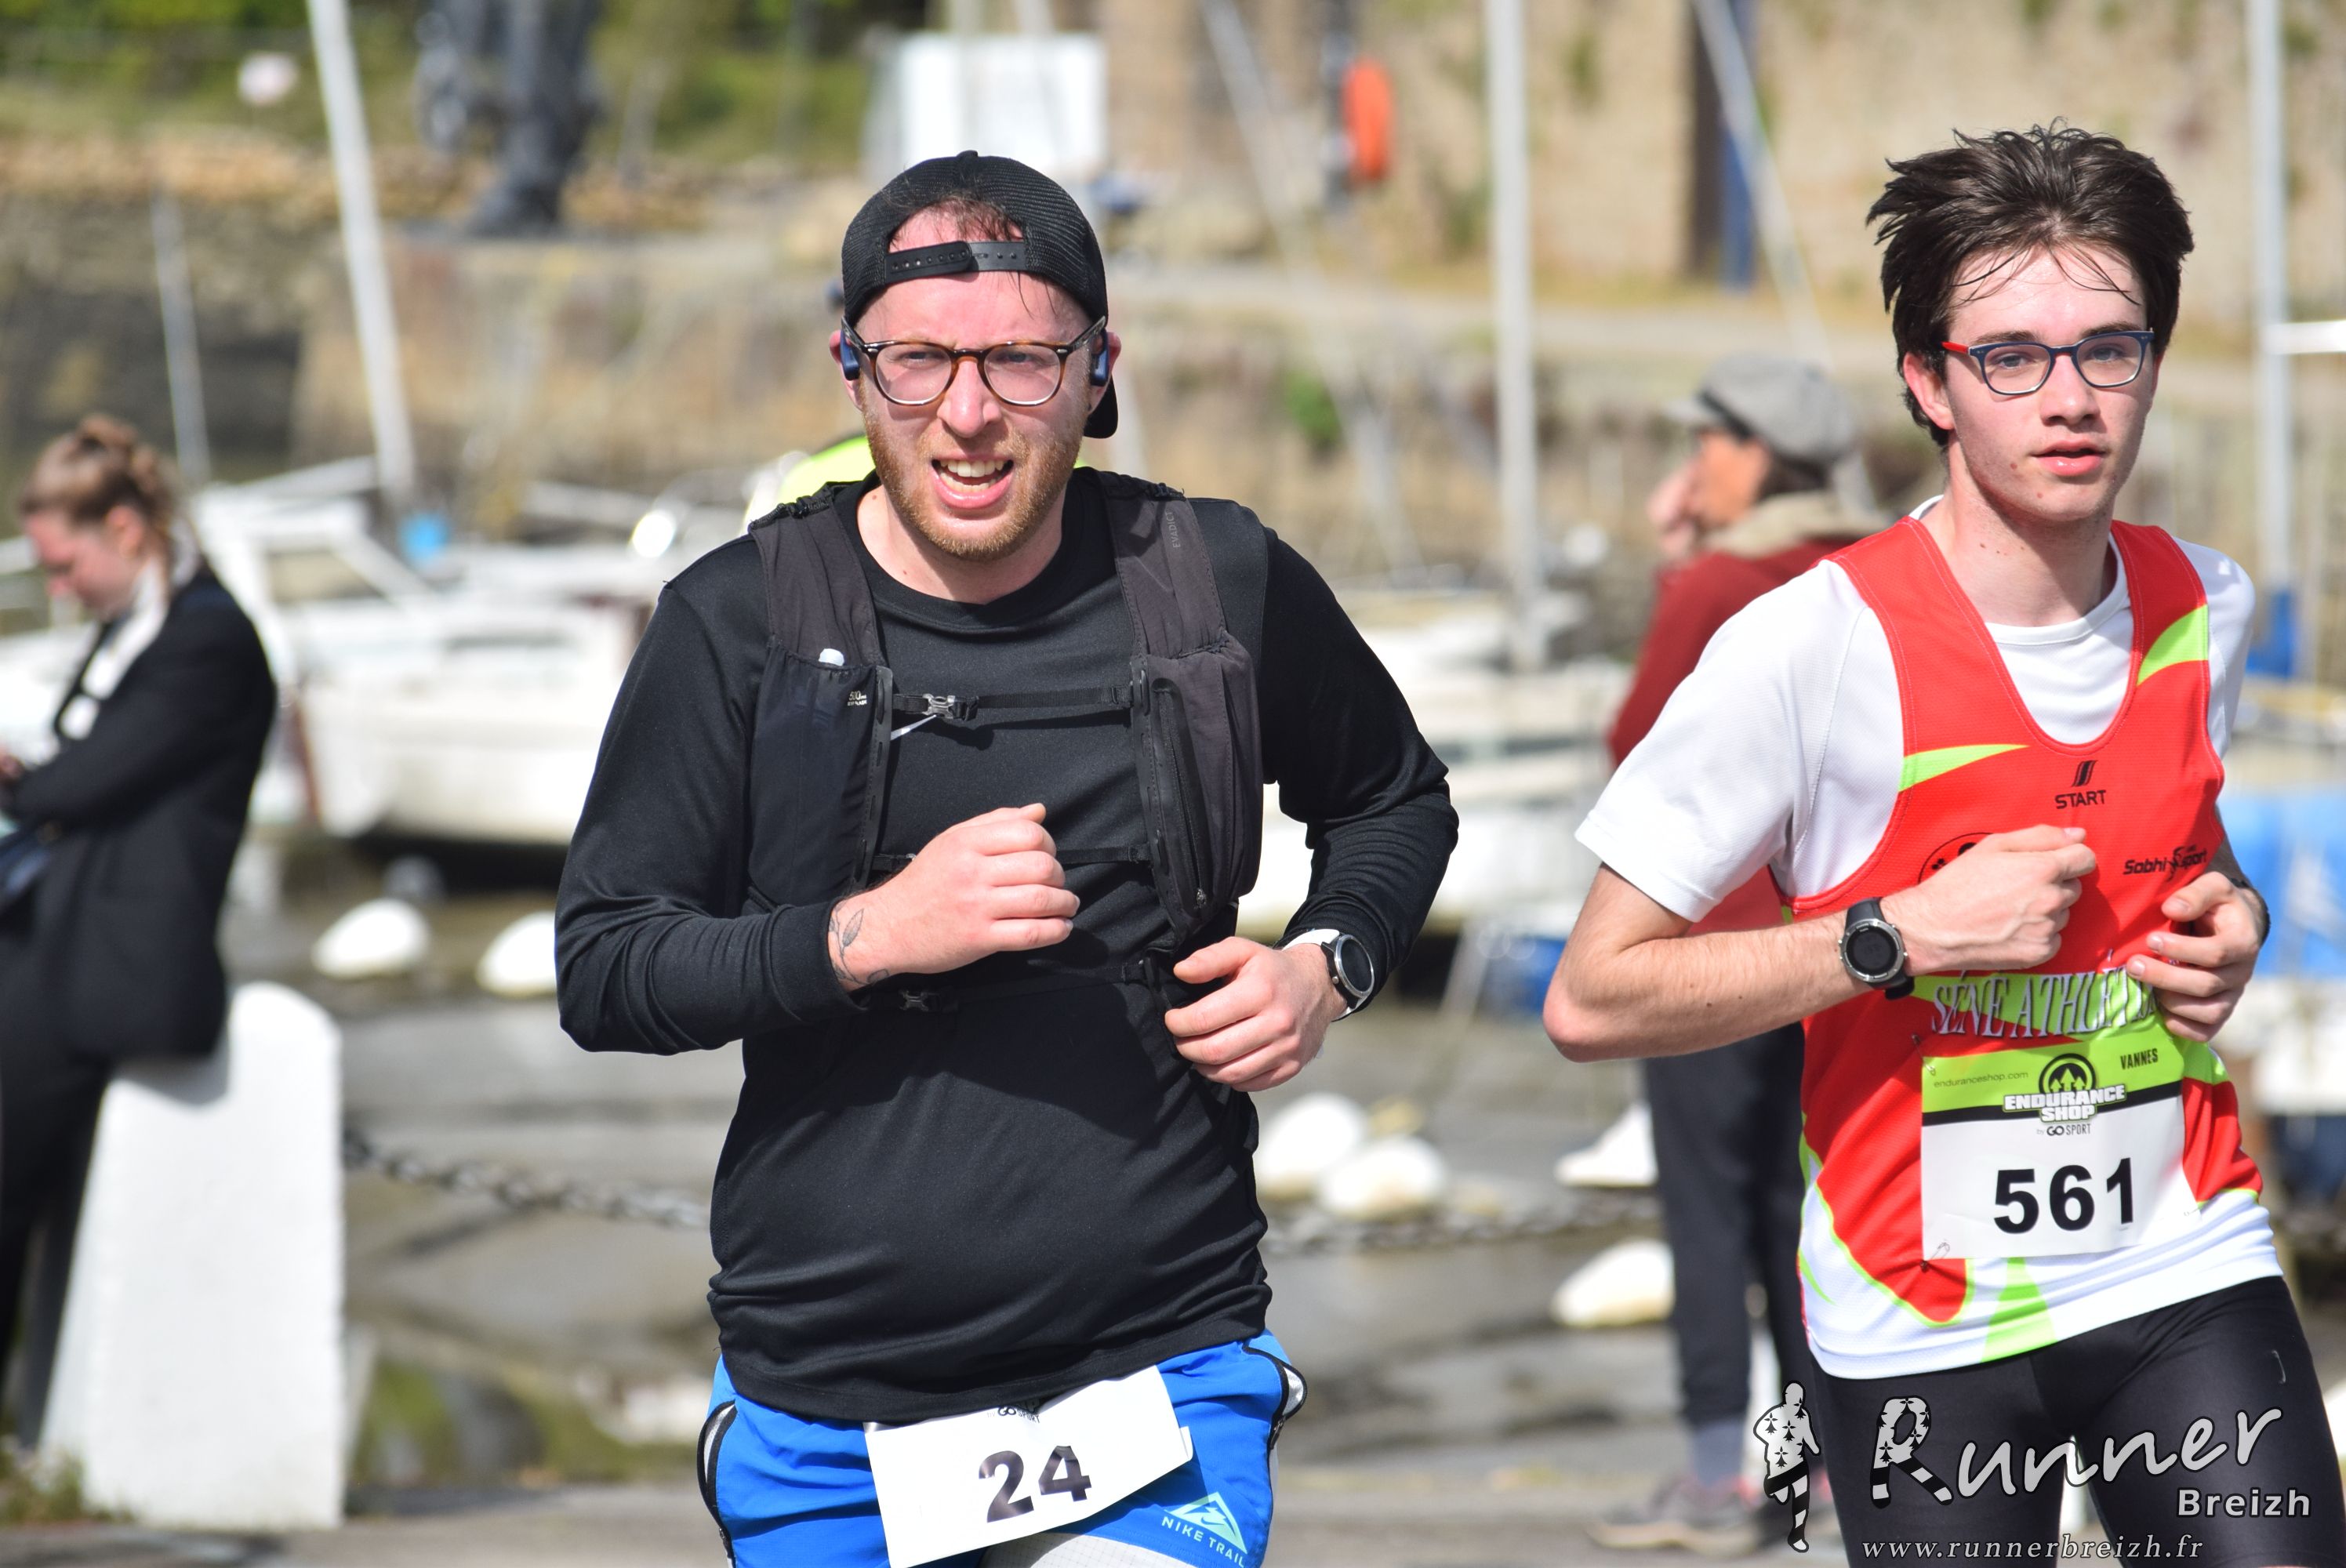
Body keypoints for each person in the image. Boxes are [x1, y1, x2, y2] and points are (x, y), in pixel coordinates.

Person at [556, 151, 1456, 1568]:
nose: (967, 416)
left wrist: (1324, 967)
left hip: (1157, 1373)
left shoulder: (1214, 580)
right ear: (853, 372)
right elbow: (607, 967)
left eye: (1021, 363)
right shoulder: (739, 622)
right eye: (918, 362)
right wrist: (871, 934)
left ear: (1098, 373)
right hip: (830, 1406)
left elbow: (1396, 802)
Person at [1545, 125, 2346, 1561]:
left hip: (2180, 1251)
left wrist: (2235, 923)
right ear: (1929, 382)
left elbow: (2188, 850)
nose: (2070, 399)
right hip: (1918, 1314)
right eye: (2012, 358)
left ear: (2154, 362)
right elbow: (1591, 997)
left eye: (2108, 350)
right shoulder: (1807, 647)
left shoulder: (2206, 605)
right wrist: (1898, 937)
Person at [1588, 355, 1877, 1556]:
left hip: (1705, 958)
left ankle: (1719, 1478)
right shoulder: (1869, 573)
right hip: (1834, 954)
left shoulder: (1719, 583)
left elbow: (1638, 745)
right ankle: (1820, 1474)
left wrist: (1680, 565)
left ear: (1755, 454)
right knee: (1804, 1219)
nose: (1690, 465)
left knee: (1707, 1217)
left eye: (1705, 442)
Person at [0, 416, 275, 1407]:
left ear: (122, 527)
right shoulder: (141, 628)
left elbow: (78, 786)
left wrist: (24, 780)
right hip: (61, 948)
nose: (60, 588)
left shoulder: (207, 640)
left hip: (106, 971)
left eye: (64, 564)